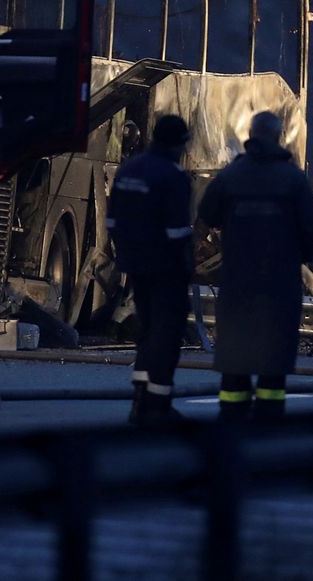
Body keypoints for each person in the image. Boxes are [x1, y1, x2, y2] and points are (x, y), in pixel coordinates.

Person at [198, 111, 313, 422]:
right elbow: (311, 230)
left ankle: (232, 415)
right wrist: (300, 258)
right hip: (280, 280)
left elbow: (207, 213)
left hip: (238, 277)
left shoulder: (232, 175)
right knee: (274, 351)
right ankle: (269, 416)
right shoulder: (293, 179)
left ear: (251, 136)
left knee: (236, 348)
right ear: (279, 138)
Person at [104, 115, 194, 425]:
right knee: (166, 334)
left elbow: (112, 221)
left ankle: (140, 399)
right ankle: (157, 404)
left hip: (135, 263)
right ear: (179, 144)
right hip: (165, 267)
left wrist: (127, 252)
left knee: (147, 328)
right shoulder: (173, 176)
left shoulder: (129, 169)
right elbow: (177, 233)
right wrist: (186, 265)